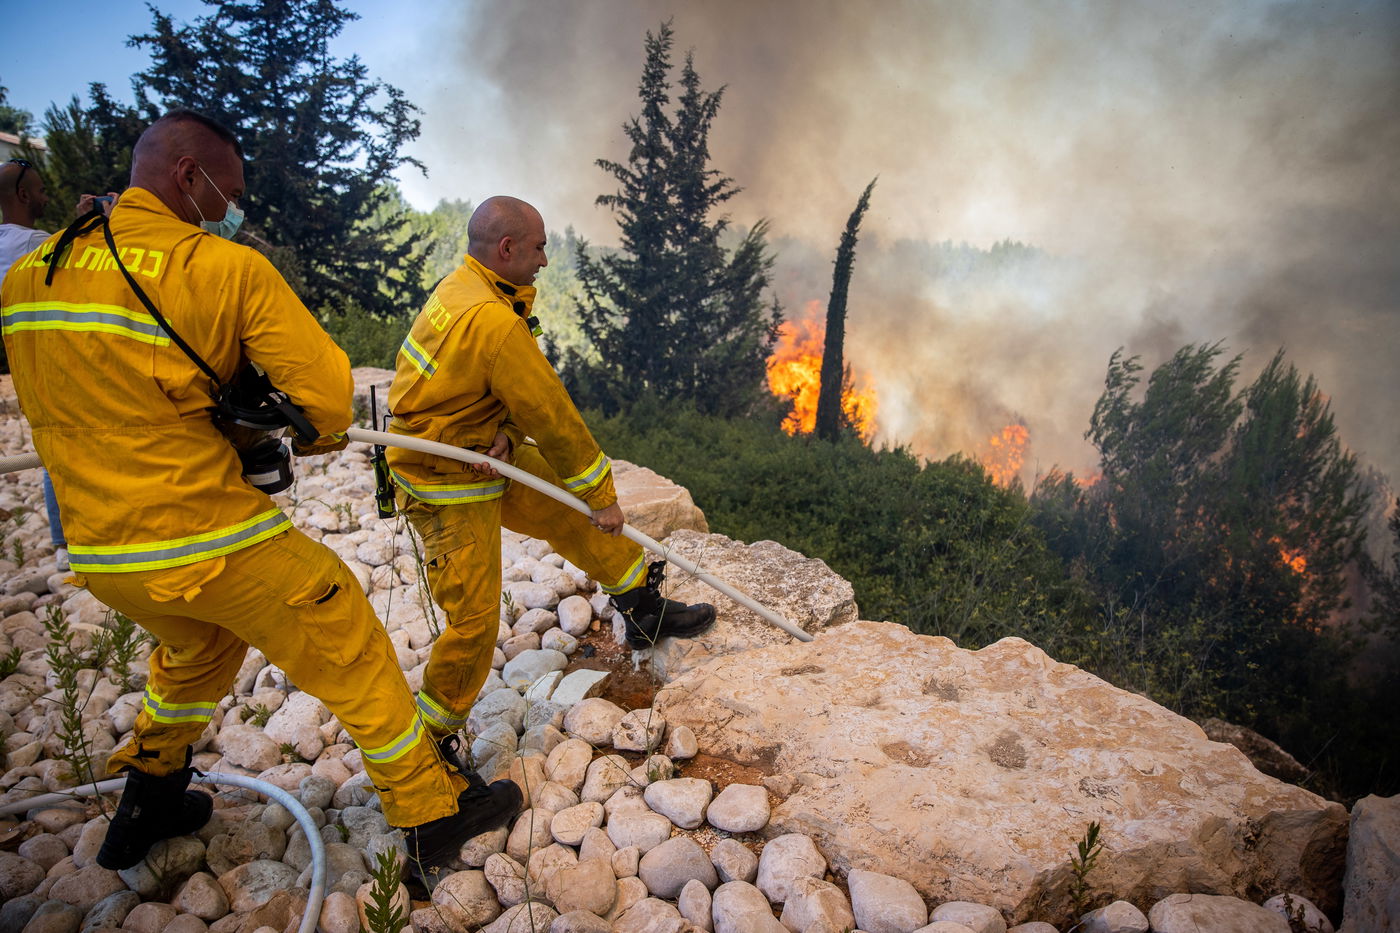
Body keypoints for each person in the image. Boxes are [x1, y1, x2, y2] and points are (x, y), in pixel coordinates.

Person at [0, 111, 519, 879]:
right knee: (344, 629)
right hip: (201, 537)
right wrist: (287, 430)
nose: (232, 208)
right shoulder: (222, 268)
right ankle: (432, 812)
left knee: (200, 646)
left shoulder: (31, 272)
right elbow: (329, 400)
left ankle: (150, 796)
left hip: (98, 550)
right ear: (188, 176)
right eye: (230, 192)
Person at [386, 195, 716, 748]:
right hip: (444, 480)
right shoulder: (493, 321)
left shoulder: (463, 287)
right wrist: (604, 496)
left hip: (478, 451)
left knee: (568, 504)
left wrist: (506, 434)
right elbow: (553, 416)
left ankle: (642, 611)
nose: (544, 260)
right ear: (507, 248)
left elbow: (483, 391)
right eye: (538, 248)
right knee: (474, 622)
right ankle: (428, 749)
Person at [0, 158, 68, 571]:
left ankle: (62, 543)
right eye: (41, 190)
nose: (46, 197)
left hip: (25, 368)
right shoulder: (35, 244)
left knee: (50, 449)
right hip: (56, 363)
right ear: (23, 195)